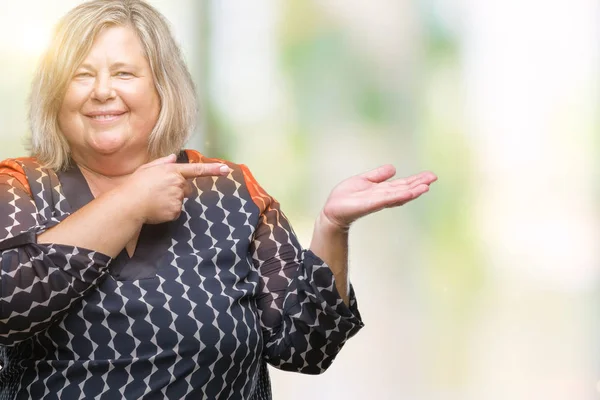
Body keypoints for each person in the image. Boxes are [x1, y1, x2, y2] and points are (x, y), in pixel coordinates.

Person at [0, 0, 437, 399]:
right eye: (81, 74)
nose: (101, 91)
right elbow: (10, 304)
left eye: (124, 73)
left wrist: (331, 227)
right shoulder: (18, 185)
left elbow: (307, 348)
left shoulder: (231, 192)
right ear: (56, 95)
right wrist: (132, 201)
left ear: (163, 88)